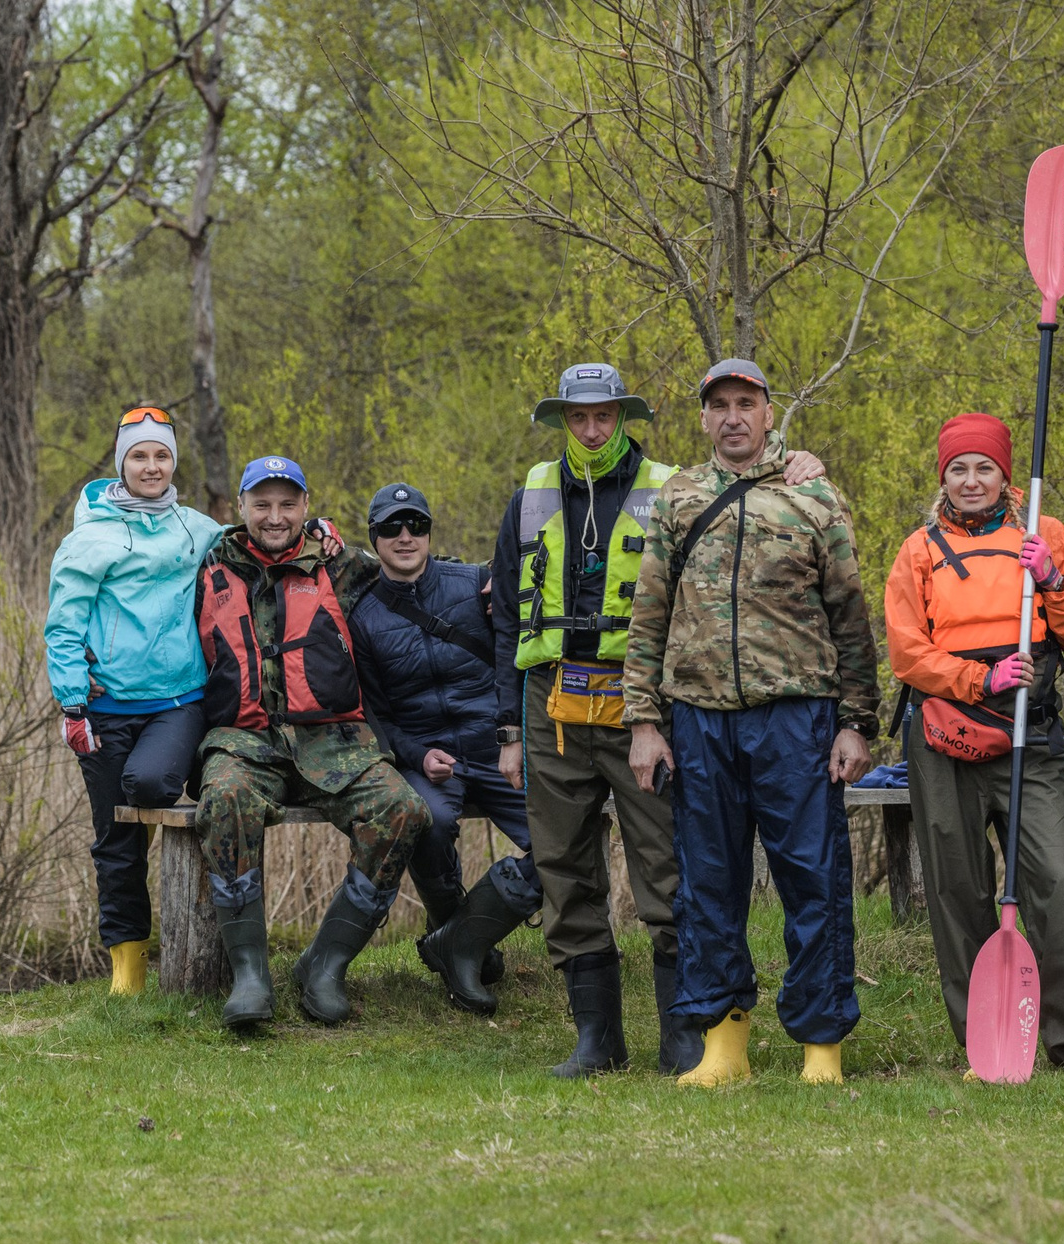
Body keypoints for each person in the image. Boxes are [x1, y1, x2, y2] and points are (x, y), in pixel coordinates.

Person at [490, 363, 827, 1077]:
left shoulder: (672, 487)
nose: (592, 429)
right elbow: (504, 619)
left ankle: (685, 1031)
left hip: (641, 701)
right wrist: (508, 732)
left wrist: (798, 461)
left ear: (623, 416)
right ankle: (597, 1038)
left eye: (604, 415)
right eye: (578, 417)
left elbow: (730, 530)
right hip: (551, 702)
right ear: (562, 420)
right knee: (563, 866)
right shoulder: (529, 496)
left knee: (668, 865)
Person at [623, 360, 879, 1088]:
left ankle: (821, 1044)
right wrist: (644, 720)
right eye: (720, 406)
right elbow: (649, 613)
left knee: (813, 879)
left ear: (768, 413)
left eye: (746, 403)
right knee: (707, 883)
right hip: (699, 720)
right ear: (704, 418)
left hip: (797, 718)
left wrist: (856, 721)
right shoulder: (678, 497)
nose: (733, 417)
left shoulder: (813, 495)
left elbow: (850, 616)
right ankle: (723, 1043)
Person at [885, 412, 1064, 1075]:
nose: (972, 481)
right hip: (945, 736)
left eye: (985, 468)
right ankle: (984, 1040)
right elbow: (906, 653)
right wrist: (979, 678)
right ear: (943, 478)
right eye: (958, 469)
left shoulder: (1043, 534)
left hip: (1030, 728)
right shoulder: (918, 550)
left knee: (1055, 876)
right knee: (958, 885)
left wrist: (1052, 580)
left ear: (1005, 475)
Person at [194, 455, 431, 1032]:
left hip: (333, 740)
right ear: (242, 508)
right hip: (245, 740)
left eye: (287, 504)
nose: (275, 517)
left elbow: (413, 569)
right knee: (224, 798)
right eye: (262, 505)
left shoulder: (343, 563)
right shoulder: (208, 563)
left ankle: (325, 964)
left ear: (306, 506)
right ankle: (250, 974)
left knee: (402, 809)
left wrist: (489, 584)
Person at [42, 407, 226, 996]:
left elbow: (255, 544)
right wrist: (72, 702)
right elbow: (63, 625)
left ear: (174, 463)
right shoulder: (88, 538)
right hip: (104, 708)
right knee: (115, 843)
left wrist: (316, 531)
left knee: (147, 785)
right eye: (140, 456)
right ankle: (129, 971)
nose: (152, 466)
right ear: (122, 463)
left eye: (162, 455)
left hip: (178, 701)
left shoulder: (196, 529)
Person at [348, 481, 541, 1013]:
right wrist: (417, 756)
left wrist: (512, 734)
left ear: (430, 532)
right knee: (427, 822)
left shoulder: (475, 584)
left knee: (562, 841)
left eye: (417, 525)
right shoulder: (362, 618)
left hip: (498, 747)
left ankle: (460, 941)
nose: (405, 536)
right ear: (374, 538)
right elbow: (378, 717)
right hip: (430, 756)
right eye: (391, 527)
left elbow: (521, 647)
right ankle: (462, 947)